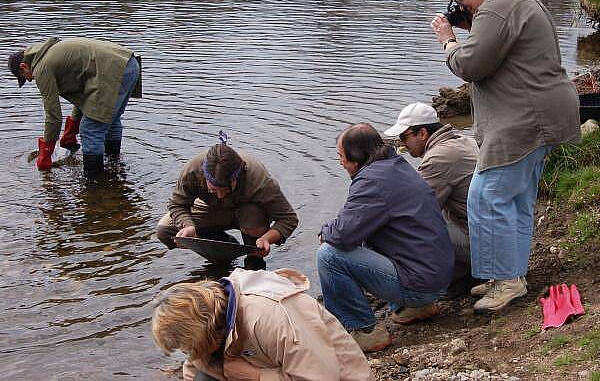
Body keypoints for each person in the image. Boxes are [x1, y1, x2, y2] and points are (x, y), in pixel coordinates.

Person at [430, 0, 581, 312]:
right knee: (515, 198)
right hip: (540, 111)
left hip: (525, 117)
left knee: (488, 196)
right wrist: (474, 30)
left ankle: (507, 281)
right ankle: (509, 275)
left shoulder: (497, 7)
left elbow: (469, 65)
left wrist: (448, 40)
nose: (459, 6)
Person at [317, 123, 454, 352]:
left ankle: (366, 331)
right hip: (437, 275)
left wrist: (325, 232)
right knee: (368, 235)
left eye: (341, 156)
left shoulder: (371, 181)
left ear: (357, 155)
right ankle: (419, 307)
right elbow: (354, 221)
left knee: (329, 255)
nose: (340, 162)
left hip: (421, 283)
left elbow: (341, 234)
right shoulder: (395, 166)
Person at [151, 268, 373, 381]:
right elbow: (195, 367)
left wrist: (255, 376)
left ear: (202, 332)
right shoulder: (211, 319)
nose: (187, 353)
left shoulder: (270, 317)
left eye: (187, 347)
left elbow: (322, 378)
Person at [383, 102, 479, 322]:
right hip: (489, 230)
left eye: (404, 138)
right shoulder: (460, 140)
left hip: (482, 241)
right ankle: (461, 277)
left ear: (423, 133)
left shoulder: (438, 158)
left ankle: (415, 302)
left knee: (396, 230)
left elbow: (411, 212)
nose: (402, 144)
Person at [155, 138, 298, 270]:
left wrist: (266, 238)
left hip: (247, 214)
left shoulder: (259, 179)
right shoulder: (192, 171)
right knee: (164, 231)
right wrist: (188, 226)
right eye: (213, 190)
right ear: (204, 177)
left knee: (253, 216)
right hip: (210, 208)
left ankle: (254, 262)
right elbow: (177, 204)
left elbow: (289, 219)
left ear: (237, 178)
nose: (220, 195)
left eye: (225, 190)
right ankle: (221, 250)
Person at [7, 37, 140, 176]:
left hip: (114, 71)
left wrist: (46, 152)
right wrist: (70, 131)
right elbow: (85, 94)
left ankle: (94, 183)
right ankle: (114, 164)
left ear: (23, 66)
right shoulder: (50, 53)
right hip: (129, 64)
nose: (29, 80)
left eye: (24, 77)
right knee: (110, 120)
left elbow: (53, 115)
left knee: (90, 129)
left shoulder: (41, 68)